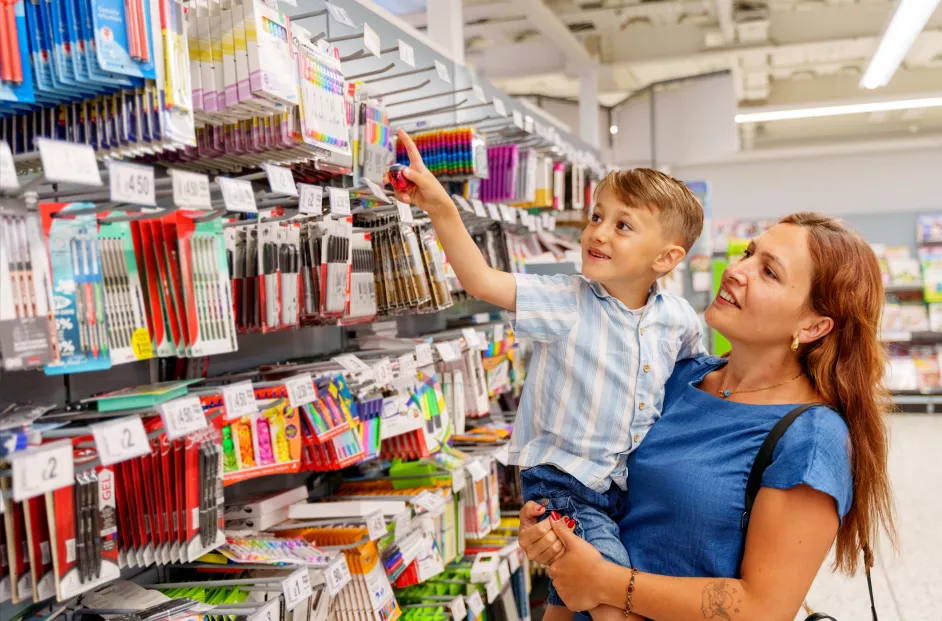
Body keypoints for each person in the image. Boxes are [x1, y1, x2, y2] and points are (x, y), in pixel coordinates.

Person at [387, 129, 705, 621]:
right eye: (597, 216)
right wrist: (442, 209)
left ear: (666, 258)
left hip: (625, 485)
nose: (598, 232)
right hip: (564, 484)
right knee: (612, 597)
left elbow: (690, 382)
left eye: (623, 226)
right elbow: (481, 280)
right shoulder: (566, 301)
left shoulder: (679, 318)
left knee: (565, 603)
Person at [517, 213, 897, 621]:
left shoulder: (811, 437)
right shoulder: (678, 375)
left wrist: (606, 582)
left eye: (768, 271)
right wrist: (554, 528)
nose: (735, 270)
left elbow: (764, 609)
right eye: (748, 253)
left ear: (813, 326)